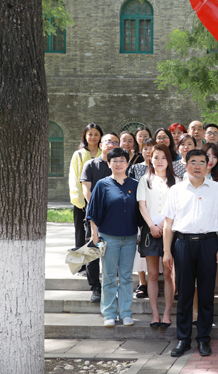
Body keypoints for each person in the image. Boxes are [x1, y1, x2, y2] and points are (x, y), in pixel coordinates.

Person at [163, 149, 218, 357]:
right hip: (182, 244)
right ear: (186, 164)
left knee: (206, 293)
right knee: (184, 293)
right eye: (193, 162)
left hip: (208, 244)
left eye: (202, 162)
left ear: (208, 165)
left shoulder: (217, 189)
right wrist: (167, 251)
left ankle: (203, 338)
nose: (198, 166)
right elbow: (168, 223)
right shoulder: (176, 190)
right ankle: (183, 339)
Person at [86, 147, 141, 327]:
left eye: (122, 160)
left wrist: (140, 232)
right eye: (114, 161)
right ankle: (109, 313)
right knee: (109, 276)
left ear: (128, 163)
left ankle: (125, 313)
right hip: (108, 238)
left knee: (126, 276)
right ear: (109, 164)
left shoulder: (135, 185)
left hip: (130, 238)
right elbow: (93, 212)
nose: (118, 164)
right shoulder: (102, 185)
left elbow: (140, 212)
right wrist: (94, 235)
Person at [137, 144, 180, 328]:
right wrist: (152, 226)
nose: (160, 161)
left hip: (172, 230)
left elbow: (178, 207)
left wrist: (163, 225)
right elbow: (142, 205)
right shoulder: (145, 180)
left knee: (169, 273)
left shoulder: (177, 181)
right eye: (156, 157)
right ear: (150, 159)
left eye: (163, 157)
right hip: (150, 230)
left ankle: (167, 314)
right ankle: (155, 314)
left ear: (169, 160)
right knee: (153, 274)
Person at [80, 132, 119, 303]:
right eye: (108, 141)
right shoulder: (90, 165)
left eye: (115, 142)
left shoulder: (119, 165)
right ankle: (95, 286)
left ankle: (110, 286)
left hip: (114, 217)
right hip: (94, 217)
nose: (111, 144)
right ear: (101, 145)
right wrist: (97, 210)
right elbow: (86, 190)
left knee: (112, 252)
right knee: (93, 252)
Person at [69, 123, 103, 277]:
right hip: (83, 201)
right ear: (85, 136)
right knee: (81, 233)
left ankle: (98, 266)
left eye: (96, 134)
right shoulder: (79, 154)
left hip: (102, 200)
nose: (93, 137)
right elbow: (74, 177)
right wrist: (80, 200)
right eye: (90, 134)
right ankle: (81, 266)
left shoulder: (104, 153)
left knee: (99, 234)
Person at [128, 137, 155, 299]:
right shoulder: (135, 168)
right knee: (140, 252)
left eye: (151, 148)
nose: (148, 151)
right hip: (140, 212)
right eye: (145, 148)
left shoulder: (161, 168)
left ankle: (154, 282)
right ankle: (142, 283)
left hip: (157, 214)